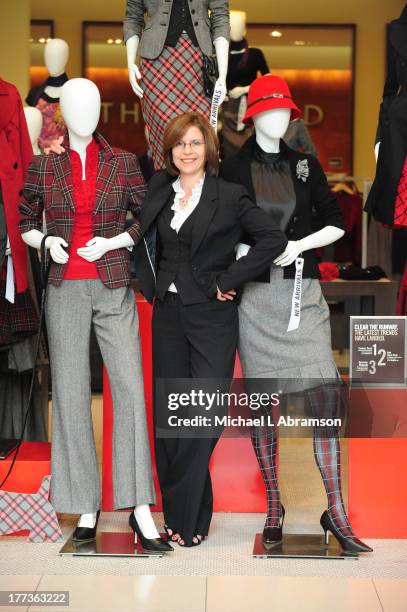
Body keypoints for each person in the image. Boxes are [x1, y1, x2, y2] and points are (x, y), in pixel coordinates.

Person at [220, 74, 372, 554]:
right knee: (265, 407)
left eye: (286, 110)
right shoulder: (234, 166)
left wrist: (298, 244)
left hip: (303, 294)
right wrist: (259, 249)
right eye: (270, 110)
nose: (280, 117)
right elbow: (224, 228)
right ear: (254, 116)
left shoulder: (305, 165)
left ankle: (337, 511)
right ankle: (274, 505)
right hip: (258, 300)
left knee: (326, 399)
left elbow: (332, 222)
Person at [19, 78, 172, 553]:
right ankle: (84, 504)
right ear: (62, 111)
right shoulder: (45, 167)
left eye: (91, 104)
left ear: (100, 110)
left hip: (112, 284)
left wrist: (115, 241)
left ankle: (139, 507)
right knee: (68, 391)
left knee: (129, 387)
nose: (84, 112)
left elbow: (143, 216)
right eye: (74, 105)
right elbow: (25, 219)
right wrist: (46, 241)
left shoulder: (125, 162)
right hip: (65, 286)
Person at [134, 111, 287, 547]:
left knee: (203, 413)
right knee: (173, 417)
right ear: (170, 150)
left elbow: (272, 241)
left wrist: (228, 280)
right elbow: (141, 234)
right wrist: (149, 284)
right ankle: (191, 519)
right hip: (168, 313)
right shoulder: (159, 190)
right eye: (180, 143)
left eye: (196, 143)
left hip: (213, 318)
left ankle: (179, 514)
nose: (187, 150)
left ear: (209, 149)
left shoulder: (229, 195)